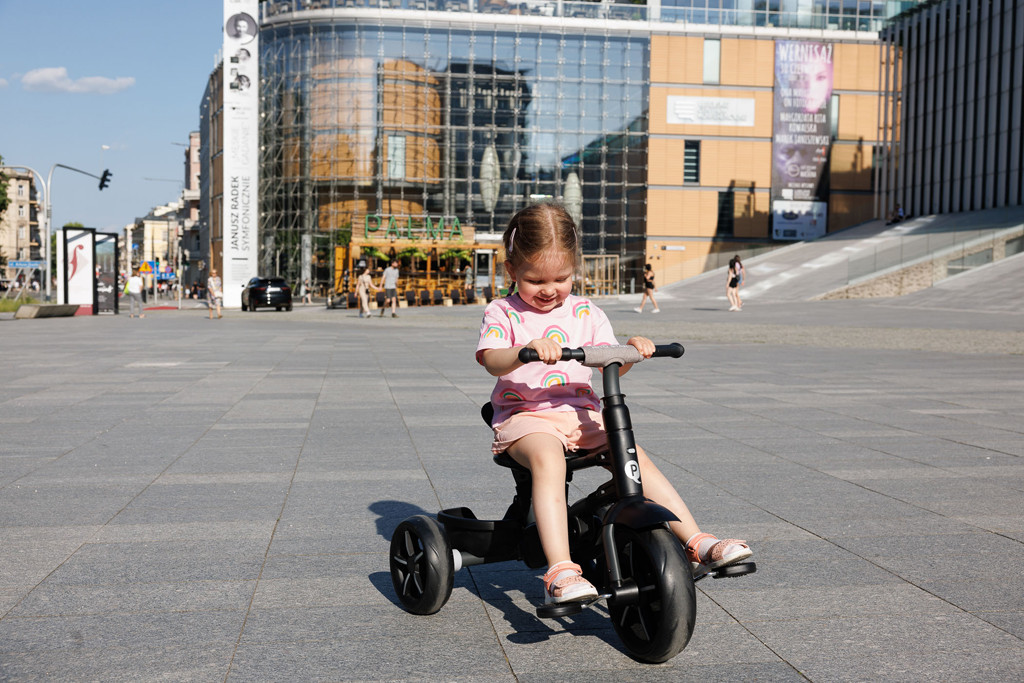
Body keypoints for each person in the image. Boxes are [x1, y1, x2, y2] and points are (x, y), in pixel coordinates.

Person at [476, 203, 752, 605]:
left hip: (581, 416)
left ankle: (697, 541)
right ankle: (561, 570)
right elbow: (491, 360)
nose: (550, 289)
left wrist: (631, 351)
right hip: (526, 418)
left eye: (561, 278)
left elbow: (611, 363)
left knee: (633, 455)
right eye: (535, 280)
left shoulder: (586, 312)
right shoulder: (503, 312)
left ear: (575, 269)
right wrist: (522, 351)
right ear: (511, 271)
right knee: (549, 459)